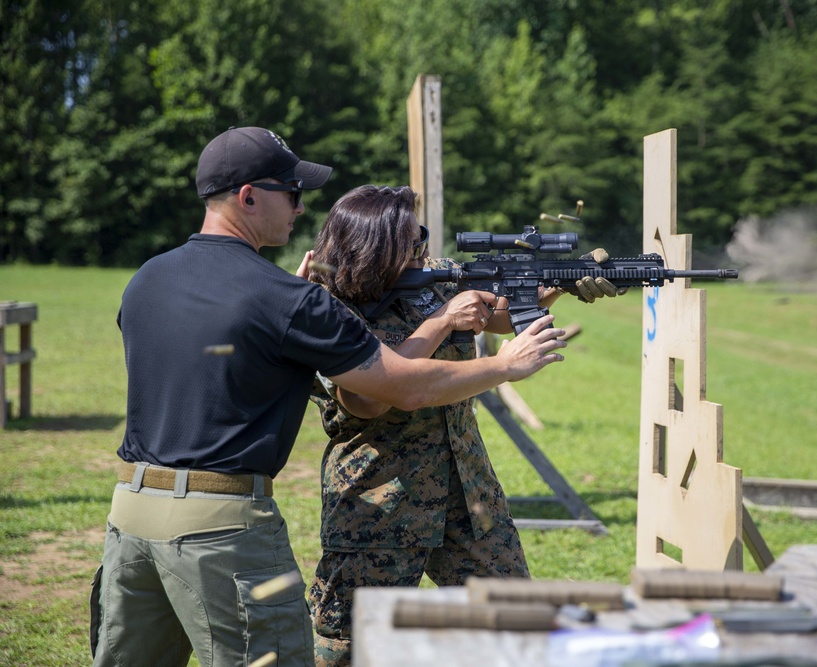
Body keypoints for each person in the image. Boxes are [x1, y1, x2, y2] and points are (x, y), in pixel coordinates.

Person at [90, 128, 567, 667]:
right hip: (221, 525)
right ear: (248, 196)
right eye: (291, 193)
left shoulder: (147, 279)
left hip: (130, 515)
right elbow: (397, 386)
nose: (299, 208)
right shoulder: (286, 299)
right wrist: (506, 364)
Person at [299, 185, 625, 666]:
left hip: (465, 491)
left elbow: (497, 313)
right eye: (411, 243)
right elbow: (373, 394)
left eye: (422, 236)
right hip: (379, 503)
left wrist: (567, 280)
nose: (424, 250)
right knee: (351, 646)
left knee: (515, 623)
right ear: (374, 249)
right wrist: (443, 322)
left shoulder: (431, 280)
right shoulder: (327, 309)